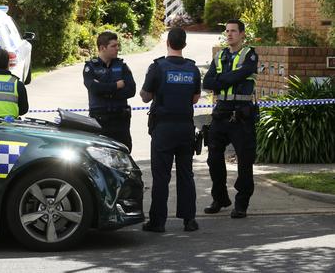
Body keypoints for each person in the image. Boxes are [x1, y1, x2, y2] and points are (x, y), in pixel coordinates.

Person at [140, 27, 201, 232]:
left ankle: (158, 222)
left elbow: (145, 96)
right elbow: (194, 99)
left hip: (163, 128)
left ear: (167, 42)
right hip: (185, 128)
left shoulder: (157, 67)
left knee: (161, 176)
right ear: (184, 44)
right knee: (186, 174)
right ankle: (189, 220)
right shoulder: (193, 69)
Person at [202, 19, 258, 219]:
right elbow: (206, 82)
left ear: (242, 34)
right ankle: (220, 198)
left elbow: (240, 75)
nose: (229, 34)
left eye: (233, 31)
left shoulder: (249, 54)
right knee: (213, 158)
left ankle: (241, 203)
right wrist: (226, 80)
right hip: (221, 114)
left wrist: (221, 81)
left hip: (241, 115)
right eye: (227, 31)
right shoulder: (220, 56)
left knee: (245, 161)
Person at [83, 31, 136, 150]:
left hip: (120, 120)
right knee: (99, 153)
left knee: (124, 150)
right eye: (113, 46)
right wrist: (116, 86)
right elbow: (94, 89)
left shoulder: (122, 66)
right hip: (100, 119)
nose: (117, 48)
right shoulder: (91, 67)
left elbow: (131, 90)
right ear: (102, 48)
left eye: (118, 45)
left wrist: (104, 89)